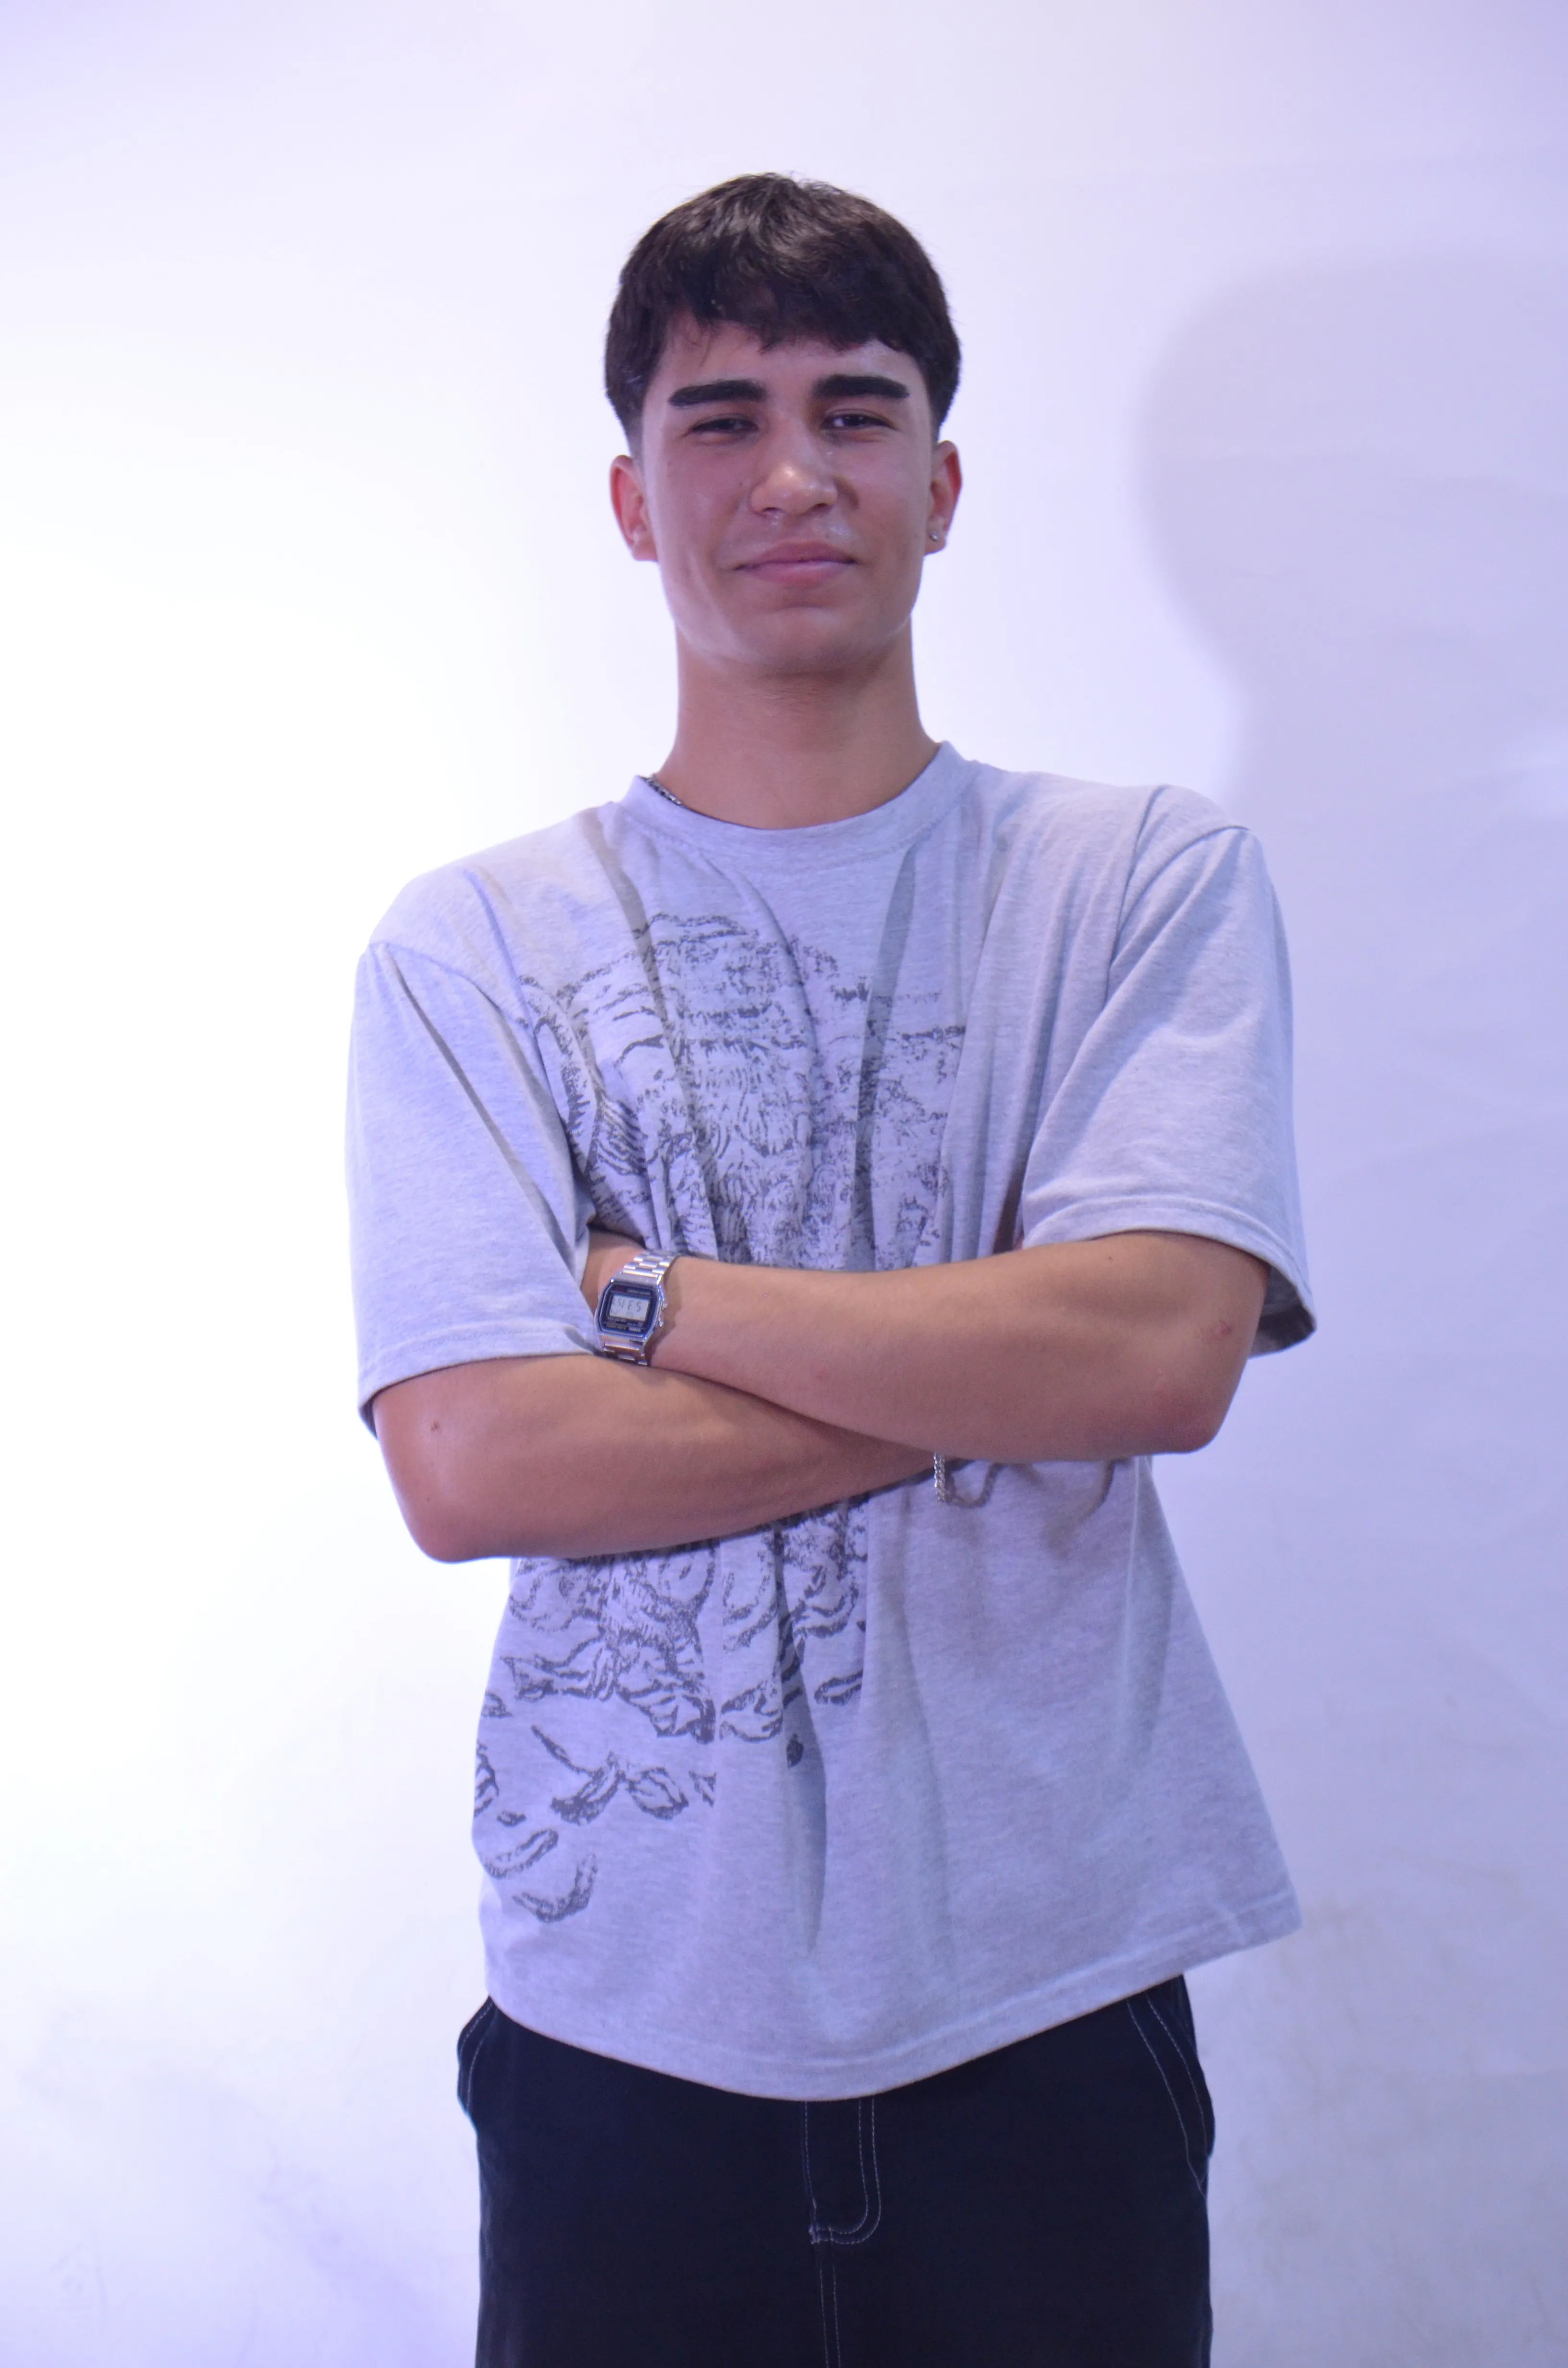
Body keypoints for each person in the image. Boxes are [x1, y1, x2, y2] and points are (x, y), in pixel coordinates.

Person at [346, 173, 1314, 2368]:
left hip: (1051, 2000)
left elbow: (1164, 1353)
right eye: (723, 419)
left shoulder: (1138, 881)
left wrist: (649, 1299)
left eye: (856, 411)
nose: (794, 473)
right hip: (621, 2025)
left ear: (943, 484)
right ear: (632, 501)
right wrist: (994, 1359)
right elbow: (475, 1464)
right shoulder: (473, 947)